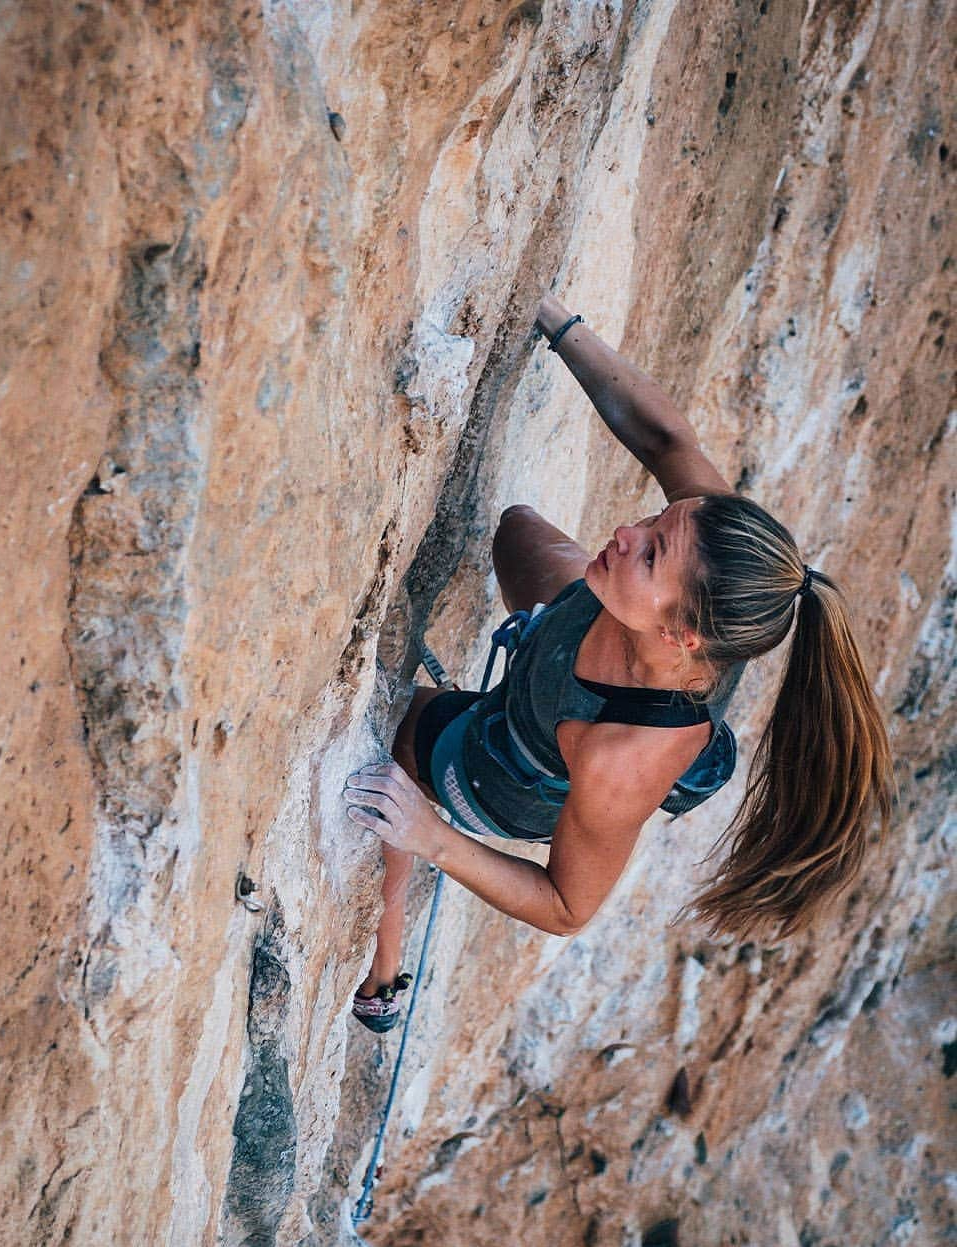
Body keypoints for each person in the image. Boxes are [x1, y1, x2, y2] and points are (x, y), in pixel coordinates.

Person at [345, 295, 894, 1032]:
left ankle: (383, 966)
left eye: (651, 551)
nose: (627, 531)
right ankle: (540, 655)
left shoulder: (623, 761)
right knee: (518, 531)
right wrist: (556, 322)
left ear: (683, 636)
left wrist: (432, 836)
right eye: (657, 523)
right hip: (573, 650)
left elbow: (567, 906)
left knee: (388, 744)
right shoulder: (715, 552)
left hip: (506, 768)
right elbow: (666, 437)